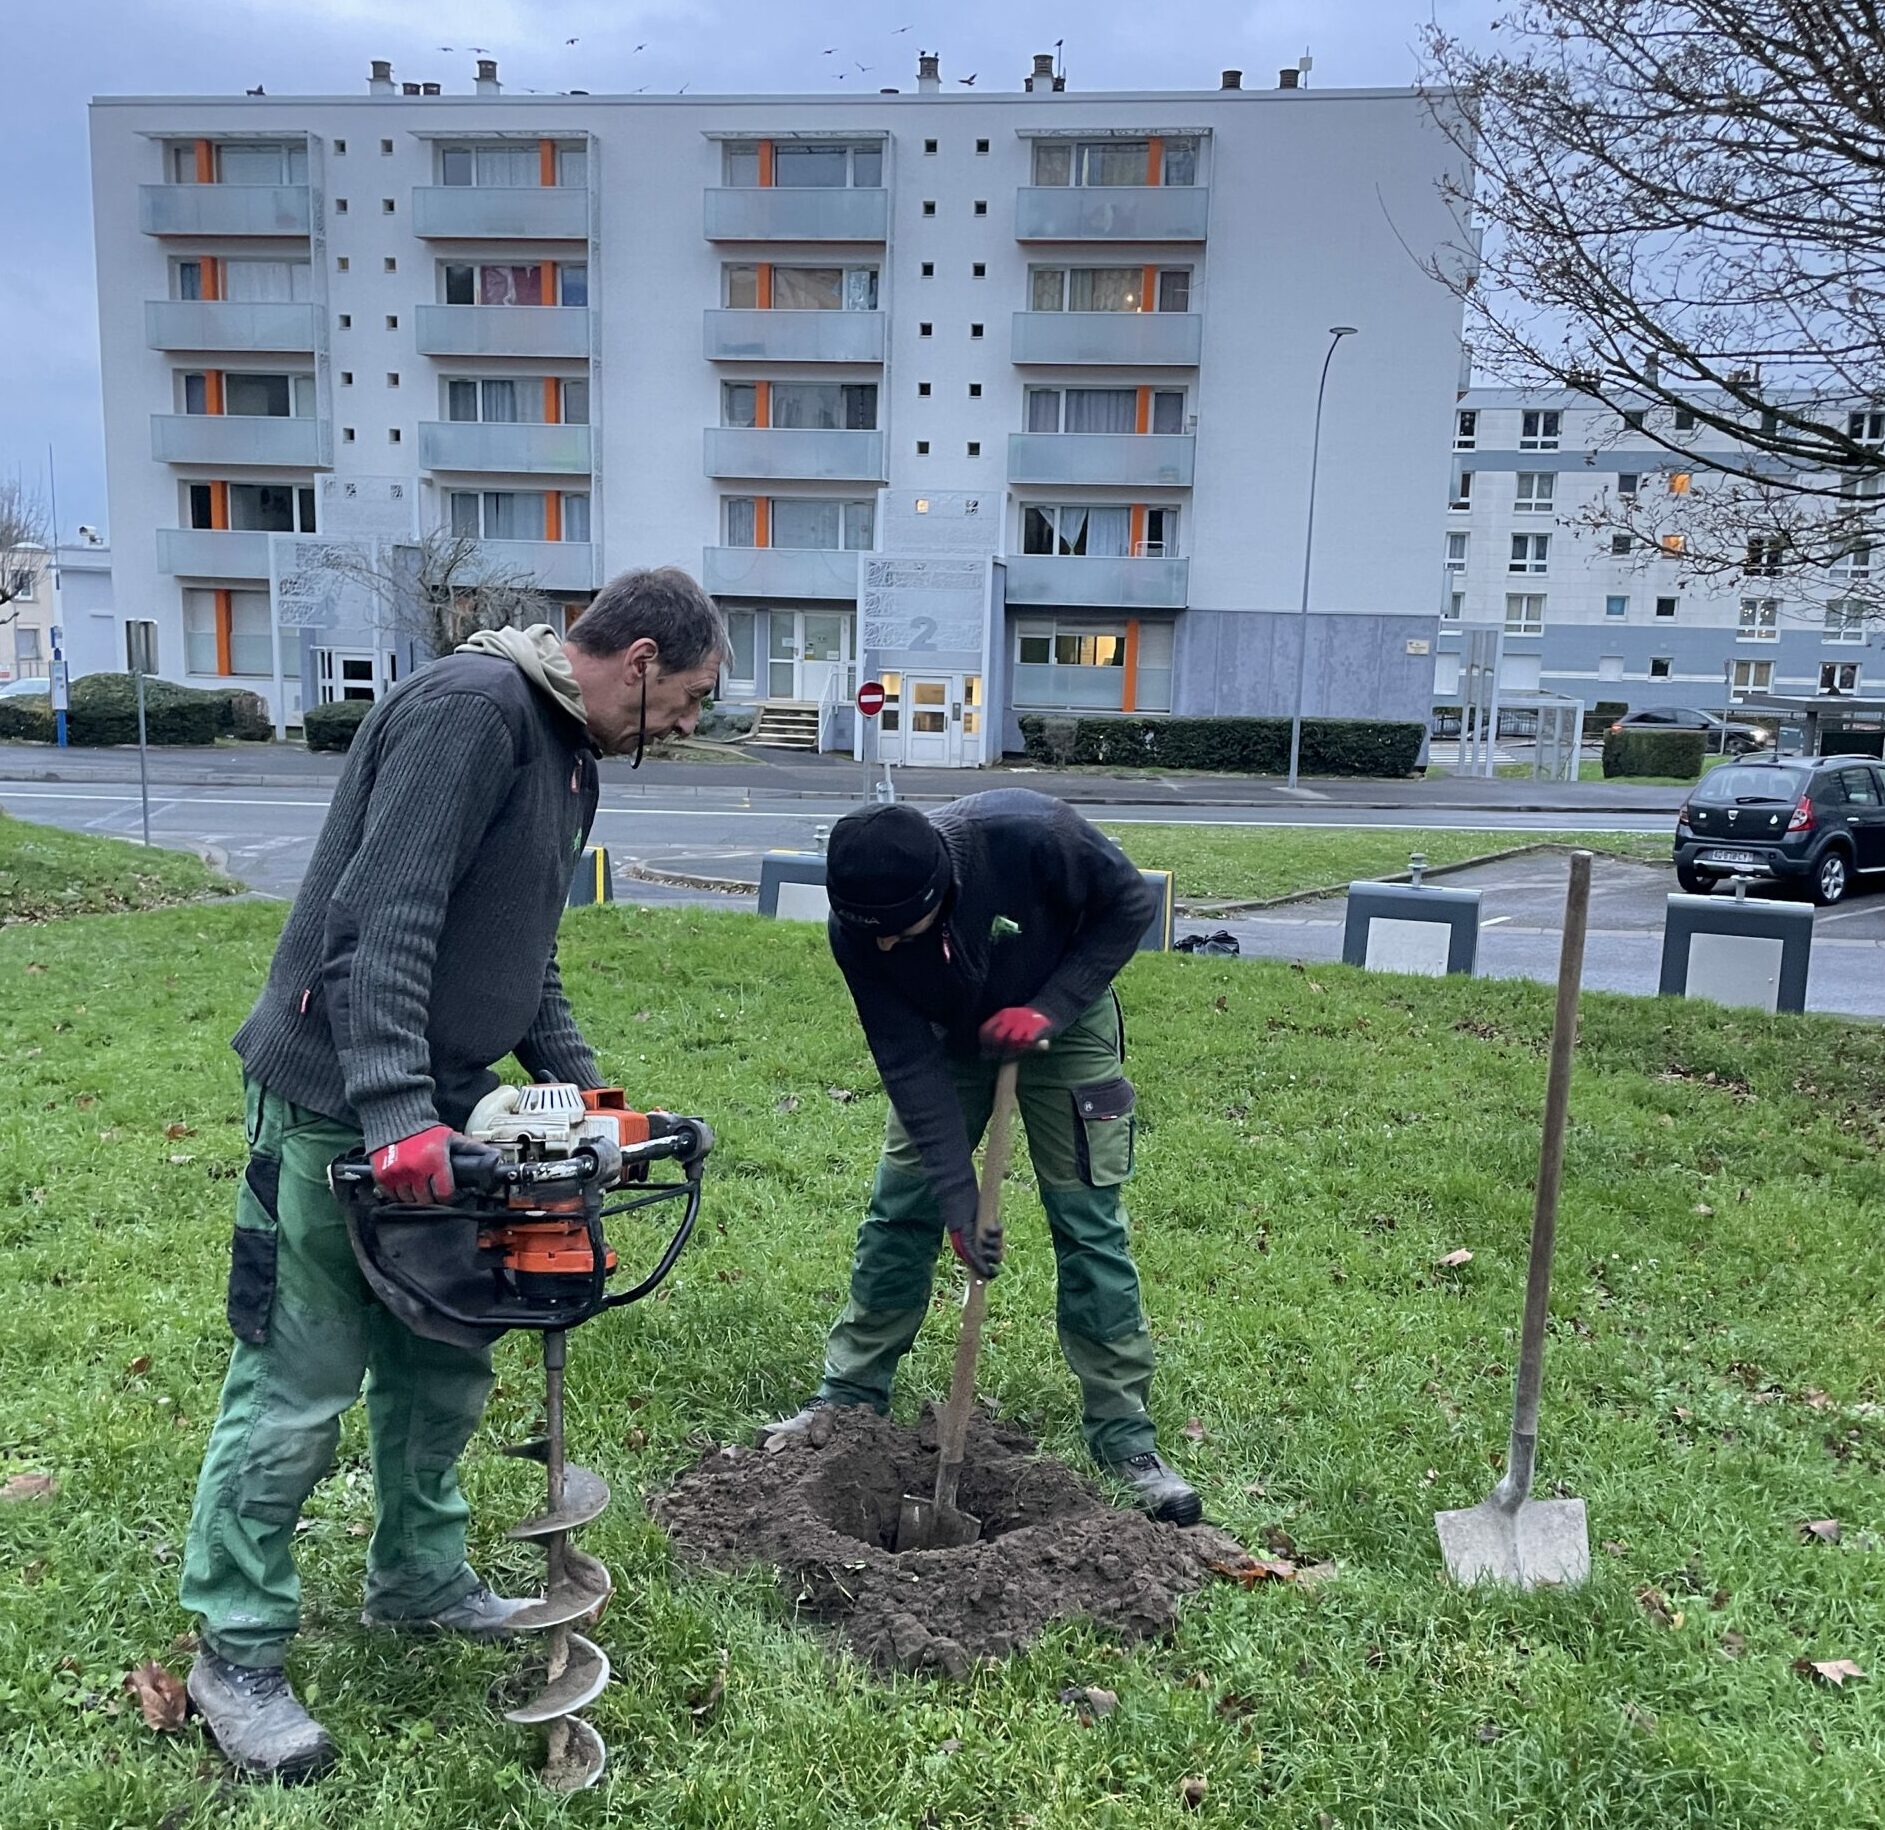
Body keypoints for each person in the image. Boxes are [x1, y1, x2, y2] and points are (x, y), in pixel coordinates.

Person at [179, 568, 726, 1781]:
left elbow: (522, 958)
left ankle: (418, 1581)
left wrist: (592, 1099)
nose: (686, 726)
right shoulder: (471, 713)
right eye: (686, 700)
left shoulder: (568, 754)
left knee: (441, 1358)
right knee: (297, 1387)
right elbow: (383, 919)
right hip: (340, 1105)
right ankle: (235, 1650)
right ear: (636, 658)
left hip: (440, 1106)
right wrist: (391, 1115)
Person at [768, 791, 1201, 1526]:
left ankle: (1125, 1438)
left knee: (1085, 1220)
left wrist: (1051, 1008)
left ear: (944, 893)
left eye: (897, 934)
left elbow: (1128, 904)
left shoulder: (1034, 834)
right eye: (868, 935)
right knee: (901, 1207)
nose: (881, 950)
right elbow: (905, 1060)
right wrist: (960, 1200)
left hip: (1065, 1019)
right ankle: (847, 1398)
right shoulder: (859, 928)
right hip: (948, 1038)